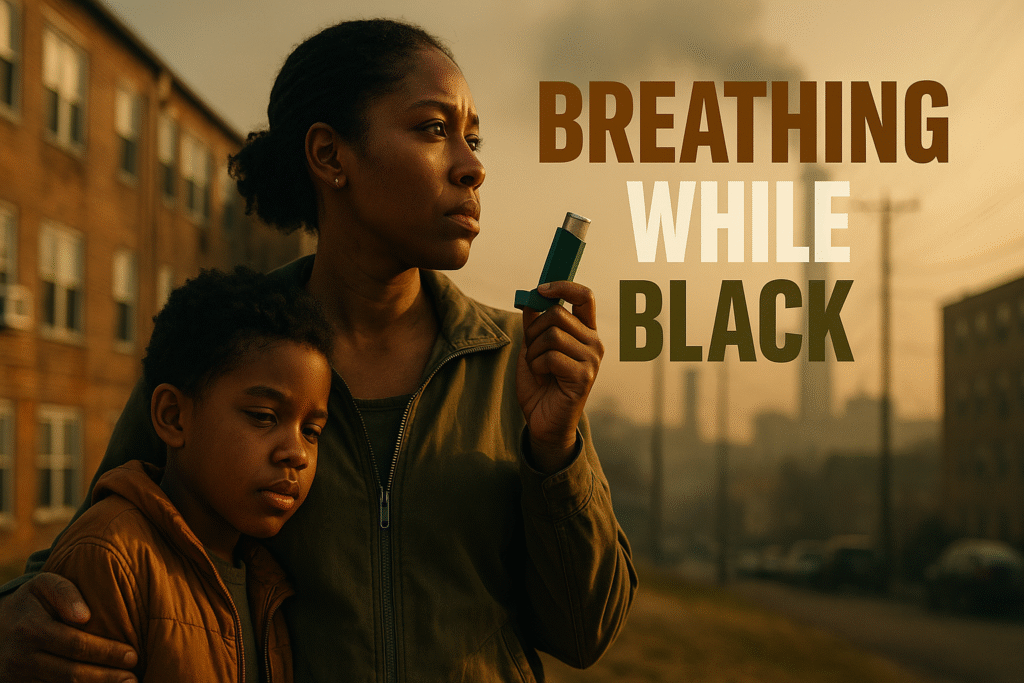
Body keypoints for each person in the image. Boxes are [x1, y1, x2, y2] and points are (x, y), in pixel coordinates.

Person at [0, 18, 637, 683]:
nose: (473, 165)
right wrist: (11, 617)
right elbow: (92, 545)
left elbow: (584, 632)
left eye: (472, 137)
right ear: (331, 156)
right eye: (433, 129)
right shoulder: (228, 346)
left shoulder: (519, 362)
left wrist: (556, 447)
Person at [38, 267, 334, 682]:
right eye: (264, 417)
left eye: (312, 430)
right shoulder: (112, 559)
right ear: (174, 417)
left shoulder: (268, 582)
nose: (297, 453)